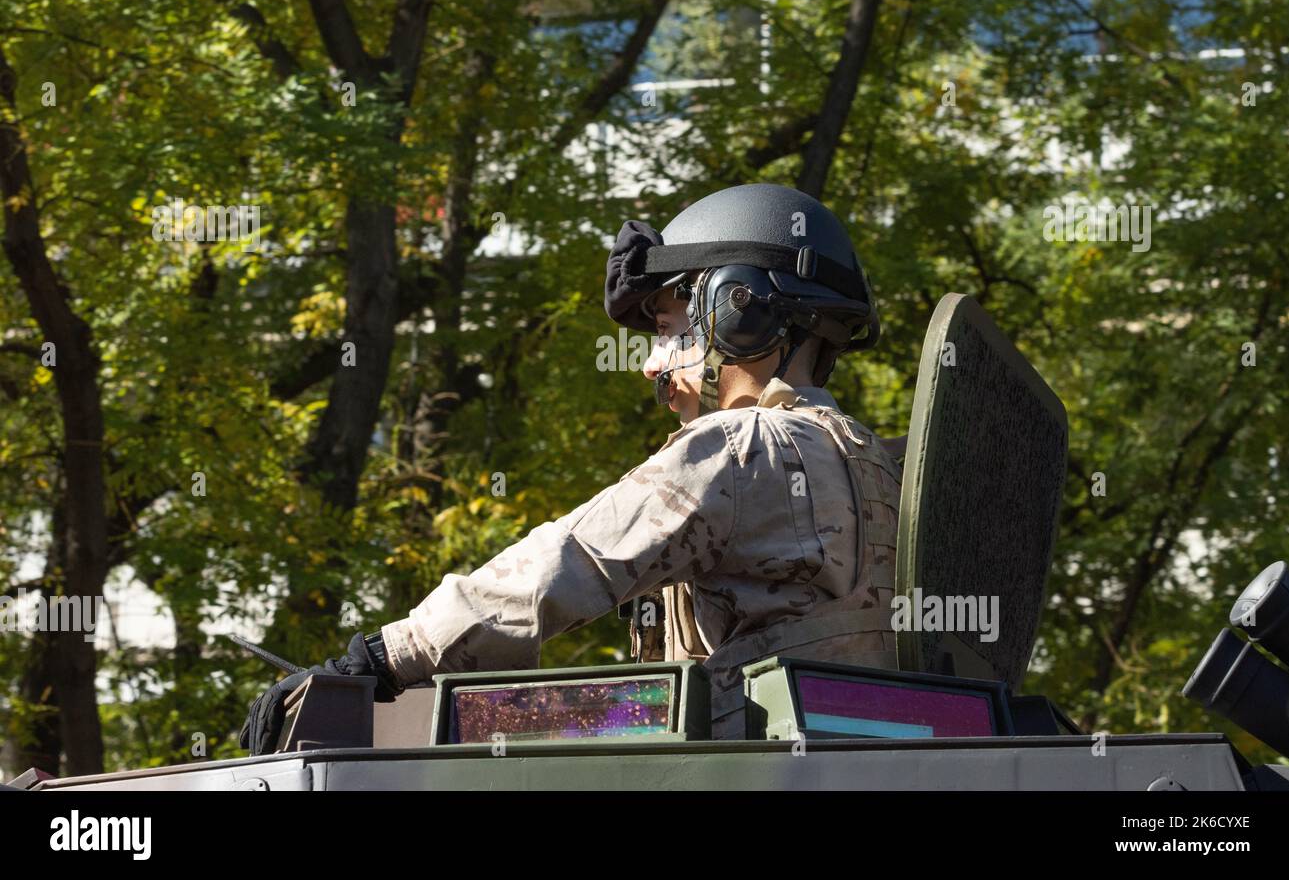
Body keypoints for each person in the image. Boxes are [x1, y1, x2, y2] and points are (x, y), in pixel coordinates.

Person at [241, 183, 904, 753]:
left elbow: (566, 564)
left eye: (672, 332)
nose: (651, 366)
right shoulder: (876, 463)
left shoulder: (746, 447)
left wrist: (380, 660)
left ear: (743, 313)